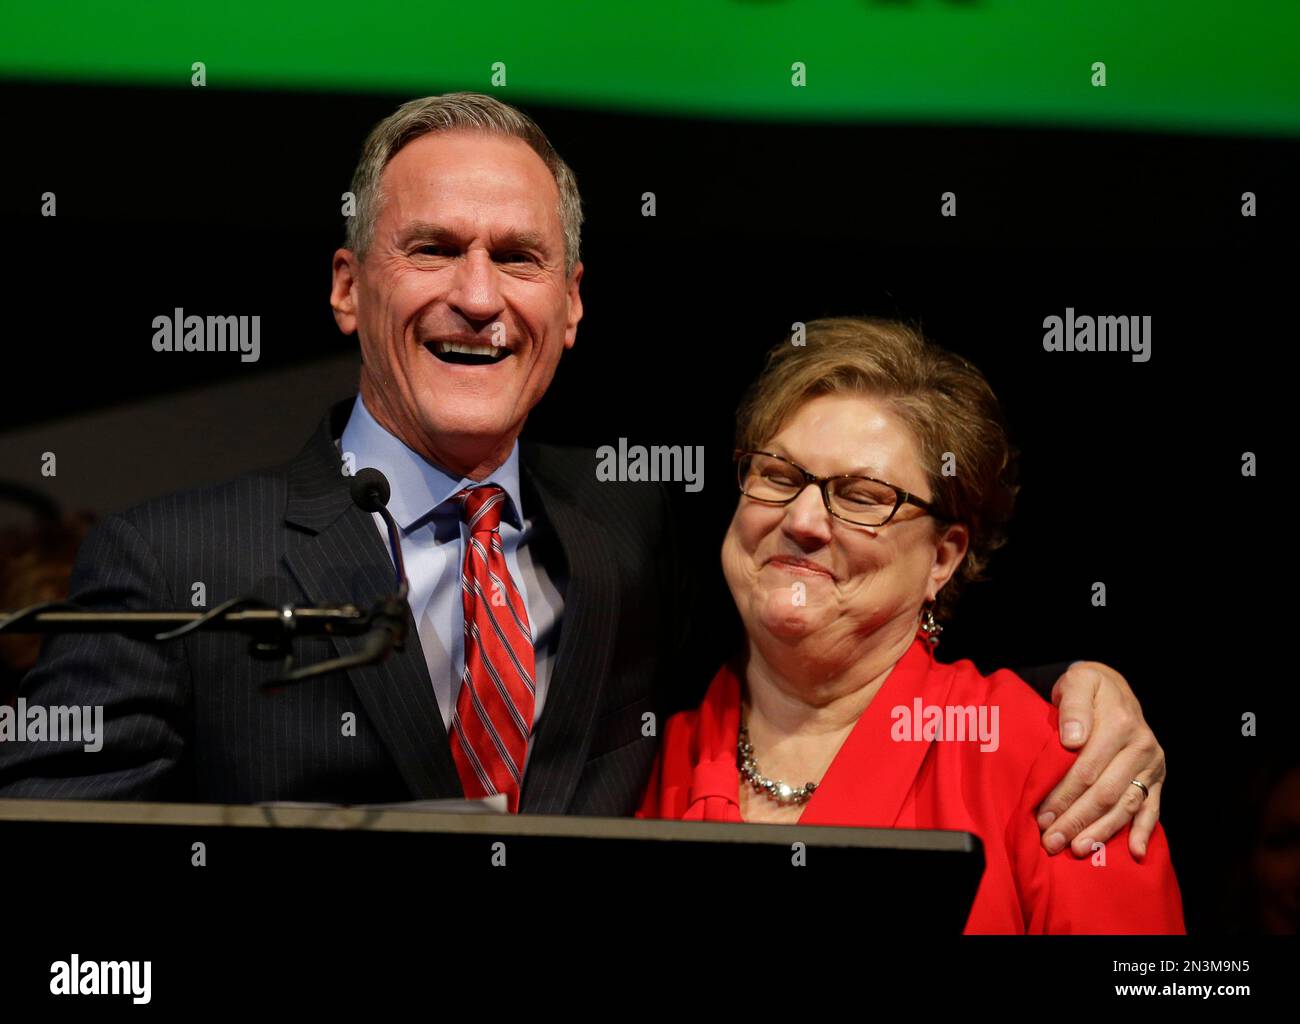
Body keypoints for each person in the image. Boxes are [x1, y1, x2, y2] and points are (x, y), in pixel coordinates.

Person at [1, 96, 1160, 850]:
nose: (476, 294)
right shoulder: (174, 559)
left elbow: (839, 614)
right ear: (349, 286)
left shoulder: (642, 531)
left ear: (570, 306)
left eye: (518, 258)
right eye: (433, 249)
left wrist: (1078, 686)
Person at [637, 317, 1184, 932]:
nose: (804, 520)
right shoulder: (633, 755)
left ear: (943, 558)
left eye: (863, 496)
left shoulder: (1049, 761)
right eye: (779, 476)